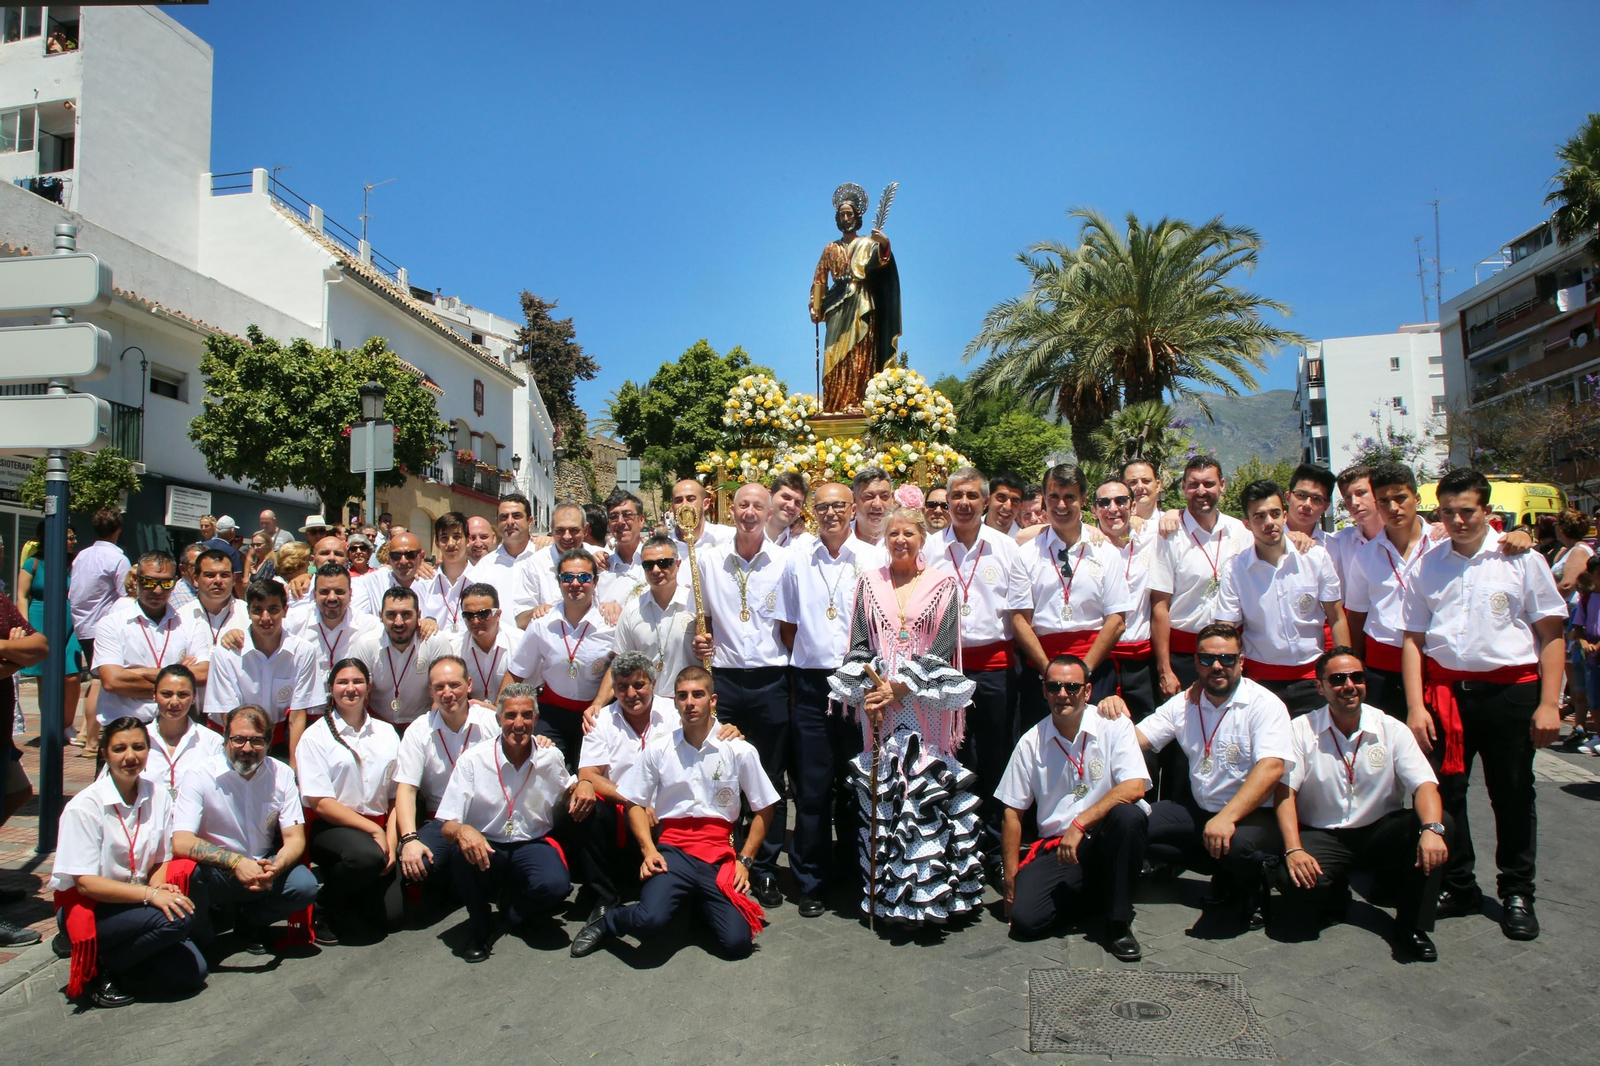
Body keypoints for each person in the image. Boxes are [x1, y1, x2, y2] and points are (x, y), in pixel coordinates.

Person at [1400, 468, 1567, 941]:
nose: (1456, 520)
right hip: (1448, 698)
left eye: (1466, 511)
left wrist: (1549, 704)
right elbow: (1413, 639)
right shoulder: (1429, 564)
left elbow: (1551, 633)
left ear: (1487, 512)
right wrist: (1416, 707)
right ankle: (1459, 883)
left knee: (1512, 792)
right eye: (1447, 512)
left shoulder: (1521, 559)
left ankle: (1517, 891)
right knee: (1449, 796)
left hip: (1511, 695)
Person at [828, 505, 982, 925]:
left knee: (924, 784)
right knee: (886, 788)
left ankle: (931, 896)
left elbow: (944, 645)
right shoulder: (869, 583)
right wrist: (873, 688)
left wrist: (903, 685)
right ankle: (888, 896)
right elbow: (859, 643)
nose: (900, 540)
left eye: (908, 534)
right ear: (885, 539)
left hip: (924, 698)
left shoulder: (942, 583)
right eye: (893, 533)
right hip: (878, 699)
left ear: (921, 539)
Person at [571, 665, 778, 959]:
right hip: (673, 849)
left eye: (698, 695)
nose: (690, 703)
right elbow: (633, 802)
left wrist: (745, 860)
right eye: (682, 696)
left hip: (720, 852)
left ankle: (696, 907)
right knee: (649, 921)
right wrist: (648, 851)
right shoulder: (659, 749)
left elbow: (765, 807)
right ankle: (609, 922)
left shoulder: (738, 749)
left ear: (713, 700)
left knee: (737, 944)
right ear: (675, 701)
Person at [1107, 621, 1293, 930]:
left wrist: (1227, 818)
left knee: (1239, 849)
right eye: (1206, 659)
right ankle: (1116, 902)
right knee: (1129, 823)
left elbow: (1271, 768)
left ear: (1241, 661)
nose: (1217, 666)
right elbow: (1135, 739)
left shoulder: (1264, 705)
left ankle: (1252, 885)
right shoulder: (1184, 703)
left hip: (1251, 816)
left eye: (1227, 659)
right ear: (1196, 662)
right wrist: (1107, 714)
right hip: (1198, 811)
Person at [1273, 648, 1451, 961]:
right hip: (1324, 833)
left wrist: (1432, 829)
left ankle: (1412, 926)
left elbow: (1424, 785)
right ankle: (1334, 892)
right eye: (1338, 679)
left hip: (1379, 830)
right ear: (1320, 687)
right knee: (1293, 892)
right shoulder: (1300, 729)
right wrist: (1293, 849)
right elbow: (1285, 793)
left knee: (1440, 824)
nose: (1349, 685)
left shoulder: (1391, 728)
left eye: (1356, 677)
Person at [777, 482, 887, 916]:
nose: (832, 514)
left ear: (854, 507)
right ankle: (811, 881)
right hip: (812, 685)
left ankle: (863, 873)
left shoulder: (874, 559)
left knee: (860, 783)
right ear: (812, 512)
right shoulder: (796, 559)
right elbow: (789, 627)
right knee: (813, 786)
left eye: (839, 505)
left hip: (861, 682)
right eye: (822, 507)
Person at [998, 656, 1150, 959]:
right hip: (1059, 848)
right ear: (1044, 691)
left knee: (1128, 814)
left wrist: (1081, 823)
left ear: (1088, 691)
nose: (1062, 694)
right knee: (1026, 921)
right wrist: (1011, 881)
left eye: (1072, 686)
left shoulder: (1114, 725)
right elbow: (1012, 813)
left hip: (1103, 834)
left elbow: (1135, 787)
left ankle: (1117, 923)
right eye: (1054, 686)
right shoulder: (1031, 741)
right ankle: (1101, 890)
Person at [49, 717, 206, 1008]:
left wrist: (161, 891)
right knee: (180, 919)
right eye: (119, 748)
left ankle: (126, 964)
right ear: (105, 754)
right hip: (94, 905)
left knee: (192, 973)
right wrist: (151, 896)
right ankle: (100, 966)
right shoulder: (83, 807)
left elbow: (161, 859)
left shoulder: (158, 795)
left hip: (136, 901)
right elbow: (85, 884)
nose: (130, 756)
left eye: (138, 747)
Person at [688, 483, 791, 908]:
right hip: (726, 679)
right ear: (731, 509)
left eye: (758, 506)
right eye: (743, 504)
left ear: (770, 513)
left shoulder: (786, 560)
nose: (750, 512)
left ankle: (763, 867)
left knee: (769, 775)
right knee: (721, 769)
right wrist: (700, 641)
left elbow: (791, 626)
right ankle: (722, 859)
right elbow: (703, 616)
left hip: (772, 678)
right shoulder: (709, 561)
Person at [938, 467, 1043, 870]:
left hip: (997, 669)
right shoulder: (929, 549)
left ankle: (999, 850)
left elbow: (1021, 612)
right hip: (946, 670)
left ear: (985, 502)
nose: (964, 503)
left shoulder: (1005, 547)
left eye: (972, 496)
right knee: (954, 758)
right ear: (947, 502)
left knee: (998, 758)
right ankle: (956, 845)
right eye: (956, 495)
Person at [438, 684, 582, 962]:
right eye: (510, 716)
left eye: (527, 715)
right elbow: (447, 825)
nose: (518, 724)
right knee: (459, 854)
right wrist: (463, 830)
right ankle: (480, 927)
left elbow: (568, 793)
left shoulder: (550, 757)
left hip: (531, 843)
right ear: (498, 718)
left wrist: (584, 784)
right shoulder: (472, 760)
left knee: (556, 885)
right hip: (488, 845)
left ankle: (514, 913)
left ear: (536, 720)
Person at [171, 704, 319, 954]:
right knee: (190, 874)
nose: (247, 748)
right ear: (225, 740)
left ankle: (250, 922)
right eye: (238, 739)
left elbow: (295, 839)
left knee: (304, 886)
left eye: (256, 741)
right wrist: (237, 863)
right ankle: (202, 936)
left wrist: (275, 868)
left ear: (269, 743)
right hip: (218, 870)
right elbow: (182, 841)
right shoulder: (198, 775)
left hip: (263, 866)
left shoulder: (282, 774)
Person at [1215, 480, 1348, 716]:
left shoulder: (1316, 558)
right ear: (1247, 523)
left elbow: (1336, 617)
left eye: (1275, 514)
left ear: (1285, 516)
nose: (1269, 523)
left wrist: (1346, 672)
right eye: (1259, 516)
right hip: (1260, 682)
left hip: (1313, 679)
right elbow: (1226, 629)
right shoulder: (1236, 569)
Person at [296, 659, 402, 943]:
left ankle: (349, 885)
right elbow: (320, 803)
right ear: (331, 688)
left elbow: (396, 797)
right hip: (333, 827)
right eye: (342, 682)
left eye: (358, 682)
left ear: (368, 687)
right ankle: (324, 906)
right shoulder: (315, 737)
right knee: (366, 857)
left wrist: (391, 842)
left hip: (380, 827)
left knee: (392, 916)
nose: (350, 689)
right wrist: (374, 832)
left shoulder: (386, 732)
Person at [1016, 464, 1132, 714]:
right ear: (1045, 500)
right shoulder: (1025, 555)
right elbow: (1019, 621)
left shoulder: (1106, 553)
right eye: (1054, 497)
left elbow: (1116, 620)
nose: (1061, 505)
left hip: (1095, 668)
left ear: (1083, 499)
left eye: (1069, 497)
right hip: (1041, 668)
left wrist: (1083, 672)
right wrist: (1050, 672)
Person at [574, 652, 681, 920]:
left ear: (653, 684)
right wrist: (634, 801)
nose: (631, 693)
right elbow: (588, 772)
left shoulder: (675, 713)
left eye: (638, 685)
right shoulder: (601, 720)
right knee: (587, 803)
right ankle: (604, 896)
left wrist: (730, 731)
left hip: (668, 814)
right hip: (622, 814)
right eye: (622, 686)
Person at [1149, 455, 1253, 700]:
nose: (1201, 491)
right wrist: (1165, 670)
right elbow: (1160, 607)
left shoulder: (1240, 531)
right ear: (1184, 487)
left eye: (1209, 484)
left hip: (1231, 654)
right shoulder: (1169, 535)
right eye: (1194, 484)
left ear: (1222, 485)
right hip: (1184, 656)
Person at [394, 657, 502, 891]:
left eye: (454, 685)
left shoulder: (492, 722)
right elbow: (406, 789)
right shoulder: (419, 730)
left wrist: (542, 741)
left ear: (469, 684)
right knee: (418, 865)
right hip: (441, 822)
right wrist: (410, 839)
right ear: (430, 692)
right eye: (439, 687)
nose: (447, 693)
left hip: (488, 818)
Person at [506, 549, 616, 766]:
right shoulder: (541, 624)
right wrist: (501, 714)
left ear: (595, 581)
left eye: (584, 577)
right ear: (559, 582)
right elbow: (516, 672)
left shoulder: (611, 624)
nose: (575, 583)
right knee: (544, 766)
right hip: (552, 715)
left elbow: (617, 669)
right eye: (567, 577)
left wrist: (598, 705)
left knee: (591, 776)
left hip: (597, 714)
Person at [1342, 463, 1433, 720]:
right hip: (1382, 667)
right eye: (1384, 501)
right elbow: (1357, 617)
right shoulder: (1365, 555)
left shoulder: (1442, 546)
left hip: (1434, 663)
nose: (1393, 508)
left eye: (1401, 498)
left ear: (1416, 498)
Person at [93, 551, 211, 730]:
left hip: (176, 729)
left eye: (165, 583)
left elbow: (203, 674)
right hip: (126, 730)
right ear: (136, 579)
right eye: (149, 582)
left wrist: (138, 672)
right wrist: (180, 677)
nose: (157, 590)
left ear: (174, 582)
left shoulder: (191, 624)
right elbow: (112, 681)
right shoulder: (111, 624)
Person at [808, 181, 900, 411]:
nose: (846, 218)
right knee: (833, 354)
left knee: (860, 352)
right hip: (836, 305)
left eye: (849, 214)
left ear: (857, 217)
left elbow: (882, 263)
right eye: (841, 215)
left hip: (861, 301)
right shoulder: (830, 248)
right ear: (837, 219)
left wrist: (885, 245)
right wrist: (815, 306)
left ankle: (857, 400)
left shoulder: (868, 244)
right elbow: (820, 279)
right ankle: (834, 403)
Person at [204, 579, 320, 759]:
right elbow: (229, 715)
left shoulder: (303, 652)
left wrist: (295, 768)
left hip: (283, 741)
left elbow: (297, 716)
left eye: (273, 609)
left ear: (285, 611)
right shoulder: (226, 654)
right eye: (257, 610)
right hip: (238, 740)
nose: (265, 618)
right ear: (248, 612)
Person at [599, 535, 696, 713]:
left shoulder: (695, 606)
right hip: (647, 708)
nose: (656, 570)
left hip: (688, 707)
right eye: (648, 565)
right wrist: (597, 705)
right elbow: (619, 662)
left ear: (678, 564)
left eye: (664, 563)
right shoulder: (632, 610)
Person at [1095, 476, 1163, 727]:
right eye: (1104, 503)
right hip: (1100, 659)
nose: (1113, 508)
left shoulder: (1153, 540)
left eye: (1121, 501)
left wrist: (1174, 513)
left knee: (1145, 739)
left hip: (1141, 661)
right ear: (1094, 510)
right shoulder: (1084, 546)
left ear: (1133, 506)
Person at [348, 587, 456, 728]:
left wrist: (430, 731)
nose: (399, 622)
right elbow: (359, 694)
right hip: (377, 724)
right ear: (381, 616)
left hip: (424, 723)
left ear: (418, 615)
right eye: (391, 615)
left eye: (406, 614)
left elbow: (442, 693)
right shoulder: (366, 644)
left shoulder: (435, 641)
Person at [286, 562, 381, 706]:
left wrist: (427, 622)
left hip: (351, 711)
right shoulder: (294, 623)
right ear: (314, 594)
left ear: (351, 594)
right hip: (305, 712)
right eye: (324, 592)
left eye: (339, 591)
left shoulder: (370, 626)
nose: (332, 598)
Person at [69, 507, 131, 704]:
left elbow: (74, 591)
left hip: (82, 625)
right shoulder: (118, 559)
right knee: (101, 680)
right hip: (105, 628)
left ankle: (90, 729)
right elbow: (127, 596)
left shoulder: (81, 556)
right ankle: (88, 732)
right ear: (118, 529)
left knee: (98, 679)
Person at [1548, 509, 1594, 749]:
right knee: (1574, 675)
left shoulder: (1578, 551)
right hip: (1566, 616)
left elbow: (1568, 584)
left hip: (1574, 616)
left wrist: (1540, 597)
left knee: (1577, 674)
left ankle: (1581, 726)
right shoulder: (1567, 551)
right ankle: (1579, 724)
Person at [142, 665, 223, 799]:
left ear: (193, 697)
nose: (174, 702)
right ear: (154, 695)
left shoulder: (212, 742)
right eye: (166, 694)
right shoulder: (137, 740)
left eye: (183, 694)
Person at [455, 582, 515, 702]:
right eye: (468, 615)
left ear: (498, 614)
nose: (476, 621)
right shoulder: (454, 649)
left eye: (483, 614)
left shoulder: (519, 644)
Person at [599, 491, 651, 602]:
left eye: (627, 515)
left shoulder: (658, 563)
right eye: (613, 517)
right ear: (609, 525)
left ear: (641, 520)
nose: (620, 522)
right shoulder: (602, 569)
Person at [851, 467, 894, 545]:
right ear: (854, 499)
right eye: (869, 497)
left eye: (884, 496)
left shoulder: (904, 539)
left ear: (892, 498)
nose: (877, 504)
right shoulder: (840, 538)